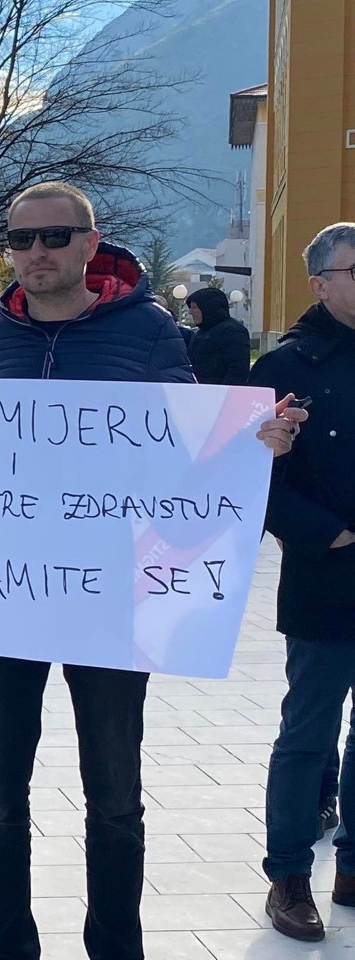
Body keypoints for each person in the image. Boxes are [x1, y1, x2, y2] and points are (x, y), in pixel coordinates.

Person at [0, 180, 303, 960]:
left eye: (52, 238)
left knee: (114, 797)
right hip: (2, 594)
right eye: (19, 241)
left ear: (89, 241)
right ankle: (5, 944)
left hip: (110, 595)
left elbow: (187, 451)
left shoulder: (148, 330)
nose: (35, 254)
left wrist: (254, 449)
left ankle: (116, 947)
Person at [250, 221, 355, 943]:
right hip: (327, 575)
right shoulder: (285, 366)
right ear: (320, 284)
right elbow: (252, 480)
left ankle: (353, 864)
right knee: (309, 733)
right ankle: (289, 875)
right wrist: (329, 532)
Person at [186, 286, 250, 385]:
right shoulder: (199, 333)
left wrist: (224, 395)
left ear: (208, 307)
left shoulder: (233, 331)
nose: (190, 312)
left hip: (220, 395)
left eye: (194, 307)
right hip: (199, 392)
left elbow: (238, 369)